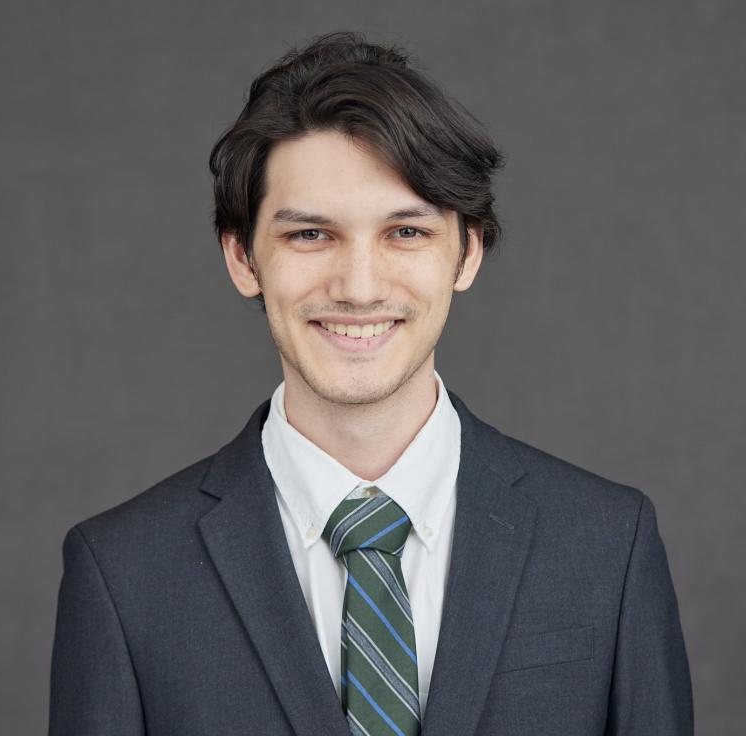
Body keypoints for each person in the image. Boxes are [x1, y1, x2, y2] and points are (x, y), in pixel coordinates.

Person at [48, 31, 694, 736]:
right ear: (242, 258)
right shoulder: (123, 572)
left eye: (406, 233)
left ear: (467, 251)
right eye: (310, 235)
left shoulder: (606, 543)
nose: (358, 287)